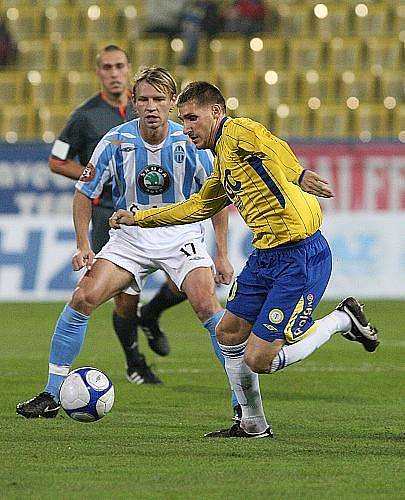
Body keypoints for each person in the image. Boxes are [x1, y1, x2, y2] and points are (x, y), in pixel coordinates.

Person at [109, 81, 380, 438]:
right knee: (227, 332)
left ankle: (342, 319)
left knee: (259, 359)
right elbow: (197, 207)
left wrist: (298, 174)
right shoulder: (221, 162)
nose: (186, 128)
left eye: (192, 118)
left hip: (300, 257)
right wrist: (139, 217)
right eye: (183, 119)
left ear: (216, 112)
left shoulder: (239, 132)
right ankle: (253, 424)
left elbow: (273, 147)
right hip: (265, 256)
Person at [16, 68, 237, 419]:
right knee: (83, 297)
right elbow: (84, 193)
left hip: (179, 233)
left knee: (208, 306)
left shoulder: (190, 142)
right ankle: (51, 393)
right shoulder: (115, 141)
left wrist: (221, 254)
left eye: (159, 99)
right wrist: (82, 244)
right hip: (130, 237)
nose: (151, 107)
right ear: (134, 102)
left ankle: (241, 402)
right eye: (144, 99)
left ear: (172, 103)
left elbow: (219, 199)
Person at [48, 44, 188, 383]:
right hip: (111, 216)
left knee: (187, 284)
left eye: (119, 67)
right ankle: (135, 362)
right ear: (99, 73)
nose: (114, 73)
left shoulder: (147, 108)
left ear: (128, 71)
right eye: (107, 68)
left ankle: (152, 315)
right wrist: (95, 176)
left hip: (162, 215)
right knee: (125, 300)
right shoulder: (85, 116)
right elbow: (57, 160)